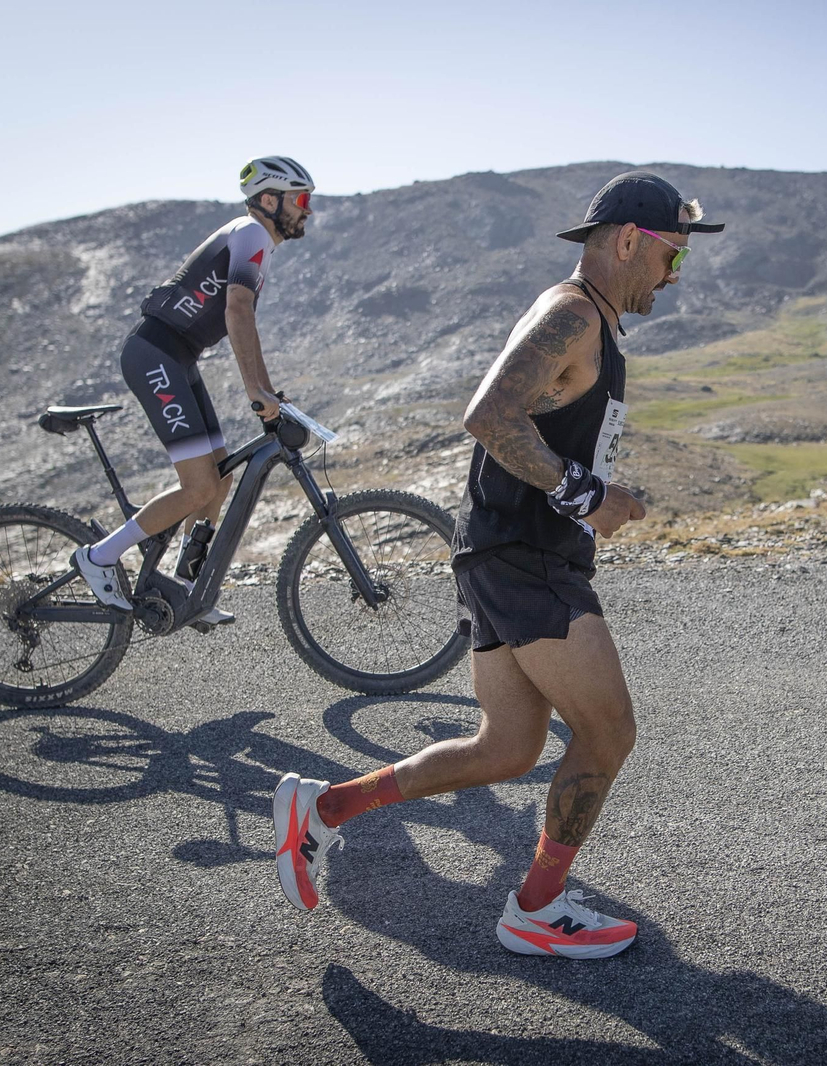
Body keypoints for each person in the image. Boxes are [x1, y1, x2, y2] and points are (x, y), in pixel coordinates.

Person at [272, 171, 724, 959]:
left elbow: (541, 429)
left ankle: (325, 809)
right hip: (525, 558)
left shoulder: (591, 321)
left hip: (507, 552)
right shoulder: (572, 313)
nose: (673, 277)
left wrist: (601, 492)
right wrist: (588, 496)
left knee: (506, 749)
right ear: (628, 242)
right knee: (609, 730)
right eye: (672, 259)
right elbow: (488, 415)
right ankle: (537, 909)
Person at [71, 156, 316, 624]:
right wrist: (257, 391)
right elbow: (238, 312)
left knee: (219, 479)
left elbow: (242, 317)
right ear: (270, 200)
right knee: (199, 484)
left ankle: (187, 588)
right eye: (302, 199)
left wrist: (266, 391)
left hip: (176, 357)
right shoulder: (251, 234)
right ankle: (99, 558)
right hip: (155, 354)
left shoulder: (253, 239)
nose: (308, 210)